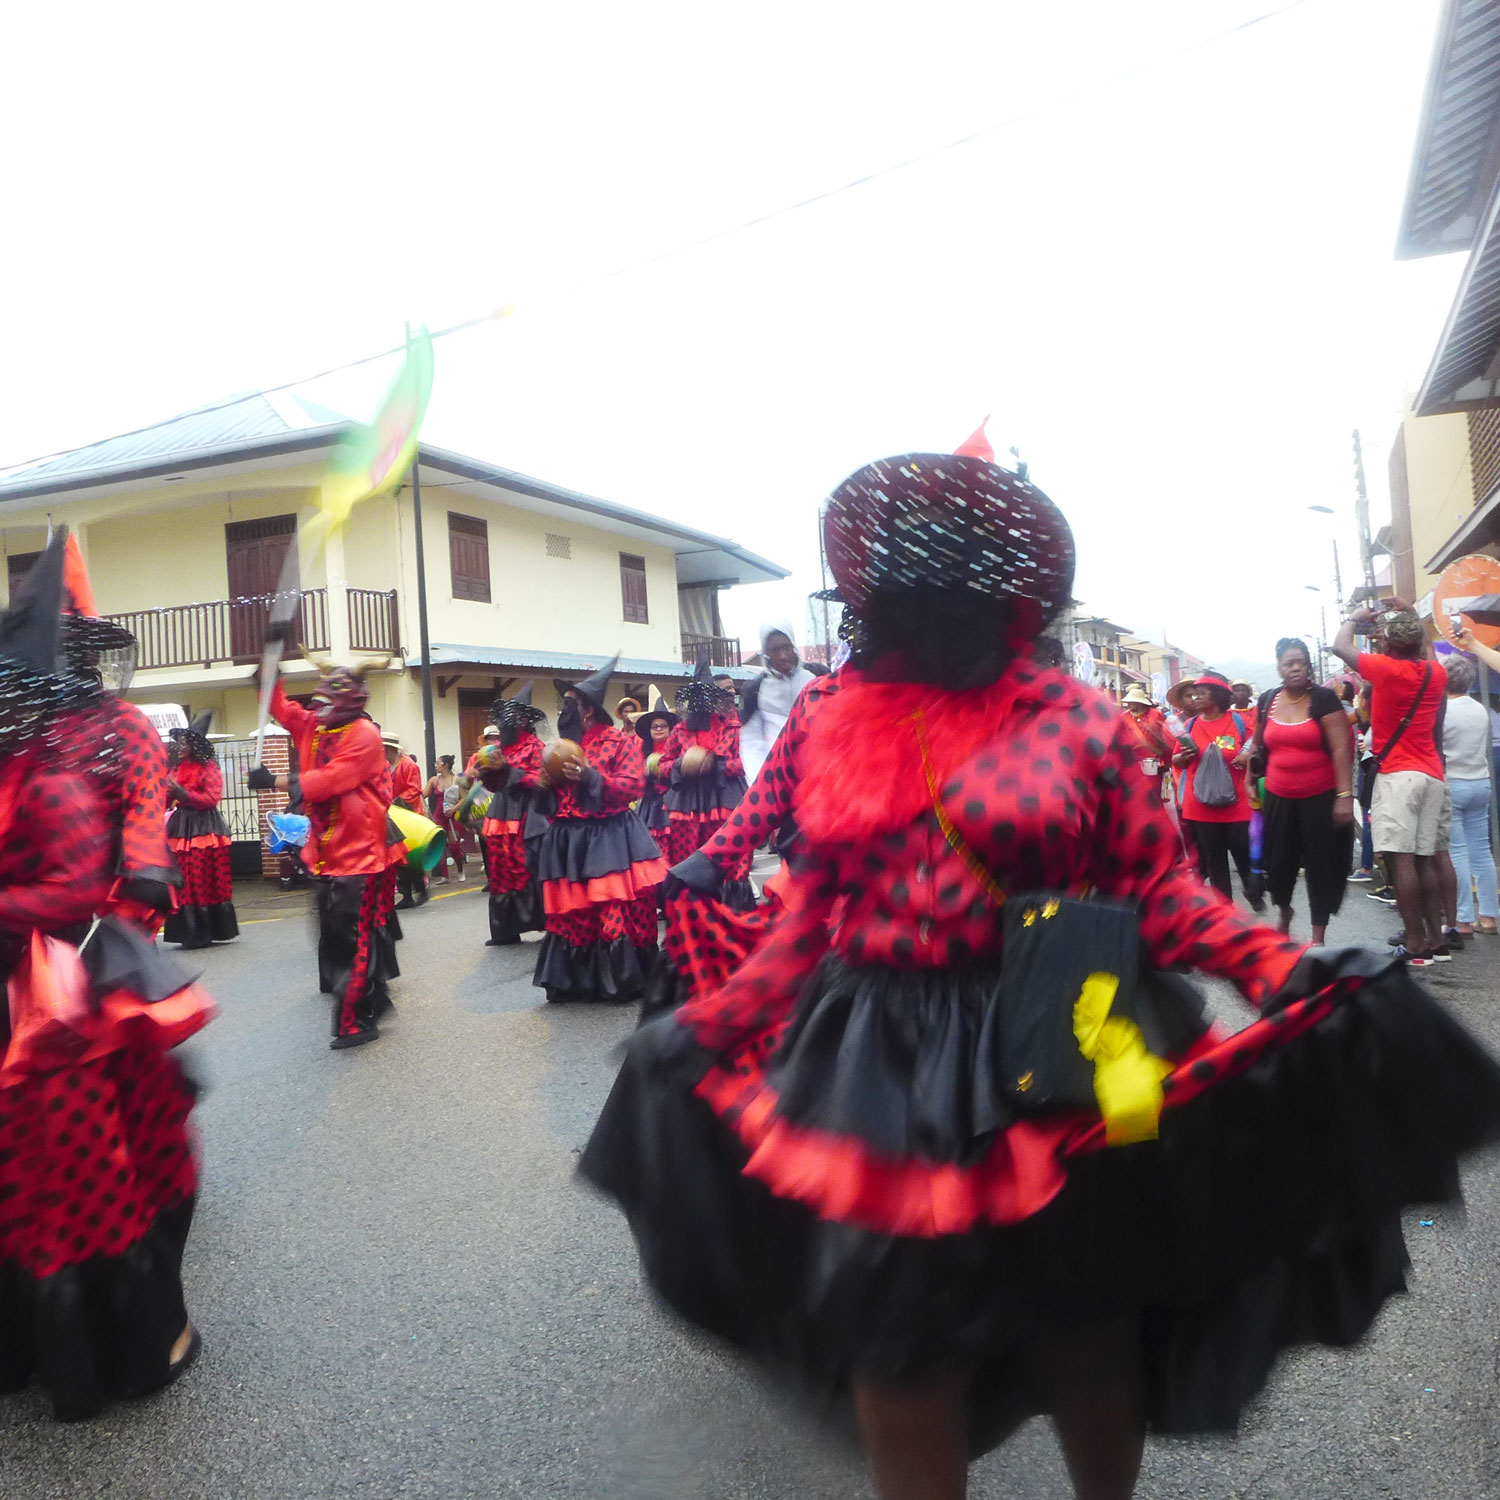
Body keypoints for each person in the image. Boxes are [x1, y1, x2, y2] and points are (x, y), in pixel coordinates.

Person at [581, 452, 1500, 1500]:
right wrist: (723, 1015)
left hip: (1086, 1020)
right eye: (899, 588)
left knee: (1088, 1320)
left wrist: (1278, 965)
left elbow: (1162, 892)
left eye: (949, 584)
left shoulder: (1077, 719)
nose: (920, 608)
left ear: (1001, 599)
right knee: (901, 1340)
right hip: (879, 1047)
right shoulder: (830, 720)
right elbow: (816, 913)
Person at [0, 531, 213, 1419]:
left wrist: (137, 886)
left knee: (86, 1154)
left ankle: (97, 1345)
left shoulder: (118, 731)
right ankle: (73, 1347)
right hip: (37, 973)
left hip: (74, 967)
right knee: (54, 1159)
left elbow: (142, 837)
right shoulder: (24, 740)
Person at [252, 657, 397, 1048]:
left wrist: (276, 779)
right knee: (334, 941)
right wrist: (269, 681)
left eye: (328, 702)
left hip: (359, 853)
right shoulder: (316, 724)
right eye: (320, 702)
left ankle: (356, 1021)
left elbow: (332, 780)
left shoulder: (364, 734)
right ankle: (373, 999)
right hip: (324, 852)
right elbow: (285, 711)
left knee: (354, 941)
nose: (319, 709)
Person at [533, 657, 668, 1002]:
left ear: (588, 710)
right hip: (566, 838)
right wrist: (542, 785)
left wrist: (592, 777)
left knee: (612, 908)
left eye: (568, 705)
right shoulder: (556, 747)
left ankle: (618, 979)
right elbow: (543, 795)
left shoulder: (618, 742)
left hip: (608, 836)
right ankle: (572, 981)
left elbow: (632, 786)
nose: (561, 712)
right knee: (570, 912)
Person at [1332, 606, 1449, 964]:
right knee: (1426, 858)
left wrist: (1352, 617)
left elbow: (1340, 645)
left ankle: (1415, 945)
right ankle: (1436, 940)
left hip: (1398, 775)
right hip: (1432, 774)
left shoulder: (1386, 669)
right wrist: (1412, 613)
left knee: (1402, 862)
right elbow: (1427, 647)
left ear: (1391, 646)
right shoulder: (1436, 673)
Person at [1242, 638, 1354, 944]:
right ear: (1279, 667)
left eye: (1300, 662)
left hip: (1320, 797)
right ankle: (1285, 911)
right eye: (1288, 663)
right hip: (1278, 797)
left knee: (1321, 865)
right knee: (1278, 864)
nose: (1294, 668)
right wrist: (1250, 779)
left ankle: (1318, 935)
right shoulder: (1267, 700)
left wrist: (1345, 797)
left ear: (1308, 665)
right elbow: (1258, 745)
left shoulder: (1324, 700)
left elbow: (1342, 749)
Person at [1172, 669, 1264, 909]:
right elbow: (1176, 760)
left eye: (1202, 693)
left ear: (1218, 696)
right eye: (1194, 694)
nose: (1196, 698)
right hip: (1200, 806)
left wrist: (1247, 756)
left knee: (1243, 855)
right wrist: (1184, 756)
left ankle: (1252, 890)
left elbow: (1256, 747)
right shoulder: (1189, 726)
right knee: (1215, 863)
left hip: (1236, 805)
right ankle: (1227, 912)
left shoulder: (1238, 723)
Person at [473, 683, 550, 946]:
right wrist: (487, 774)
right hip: (501, 814)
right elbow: (495, 786)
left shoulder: (536, 746)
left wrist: (509, 772)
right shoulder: (501, 749)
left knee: (527, 867)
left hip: (527, 815)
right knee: (500, 869)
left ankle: (542, 921)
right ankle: (505, 929)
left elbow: (542, 781)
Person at [657, 658, 748, 864]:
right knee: (687, 860)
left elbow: (746, 764)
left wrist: (716, 765)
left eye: (706, 697)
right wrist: (682, 764)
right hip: (687, 804)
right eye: (697, 698)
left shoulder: (733, 729)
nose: (702, 703)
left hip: (725, 799)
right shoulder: (679, 731)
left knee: (727, 860)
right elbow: (663, 765)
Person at [163, 711, 239, 949]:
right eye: (178, 743)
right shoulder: (176, 769)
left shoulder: (209, 767)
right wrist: (166, 794)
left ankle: (204, 932)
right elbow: (166, 797)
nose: (178, 747)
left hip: (204, 827)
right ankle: (188, 932)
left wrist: (182, 794)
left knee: (200, 879)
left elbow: (211, 799)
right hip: (182, 827)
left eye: (183, 743)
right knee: (182, 879)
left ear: (193, 746)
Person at [1443, 639, 1500, 937]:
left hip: (1453, 784)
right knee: (1482, 851)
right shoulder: (1480, 710)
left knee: (1458, 852)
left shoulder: (1442, 712)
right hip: (1481, 783)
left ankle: (1463, 919)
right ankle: (1489, 916)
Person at [739, 621, 816, 783]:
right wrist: (759, 780)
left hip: (815, 770)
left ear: (793, 647)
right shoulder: (755, 690)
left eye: (786, 647)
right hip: (776, 776)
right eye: (775, 650)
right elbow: (751, 741)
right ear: (766, 653)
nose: (782, 655)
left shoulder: (815, 679)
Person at [633, 700, 678, 849]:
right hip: (649, 804)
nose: (659, 729)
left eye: (663, 726)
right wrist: (643, 774)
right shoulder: (641, 750)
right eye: (654, 726)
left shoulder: (679, 748)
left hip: (673, 802)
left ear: (670, 728)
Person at [1120, 685, 1174, 802]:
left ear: (1138, 703)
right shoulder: (1123, 717)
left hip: (1155, 760)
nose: (1127, 704)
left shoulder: (1155, 714)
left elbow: (1166, 735)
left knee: (1154, 793)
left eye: (1130, 702)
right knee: (1136, 796)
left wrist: (1166, 759)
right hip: (1132, 761)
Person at [426, 755, 471, 883]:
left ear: (445, 765)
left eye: (438, 763)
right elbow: (423, 794)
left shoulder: (457, 780)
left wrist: (454, 808)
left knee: (454, 846)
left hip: (454, 816)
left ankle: (460, 870)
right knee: (439, 845)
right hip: (438, 816)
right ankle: (445, 876)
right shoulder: (434, 780)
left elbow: (464, 797)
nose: (436, 765)